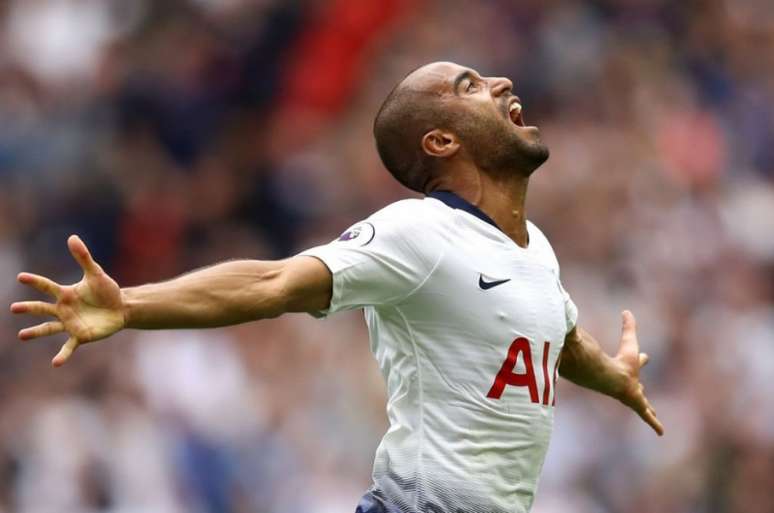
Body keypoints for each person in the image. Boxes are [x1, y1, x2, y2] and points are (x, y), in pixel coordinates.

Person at [11, 61, 663, 513]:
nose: (500, 82)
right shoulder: (421, 231)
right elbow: (275, 280)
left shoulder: (535, 249)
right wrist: (132, 305)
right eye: (469, 86)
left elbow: (560, 336)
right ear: (441, 140)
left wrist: (612, 375)